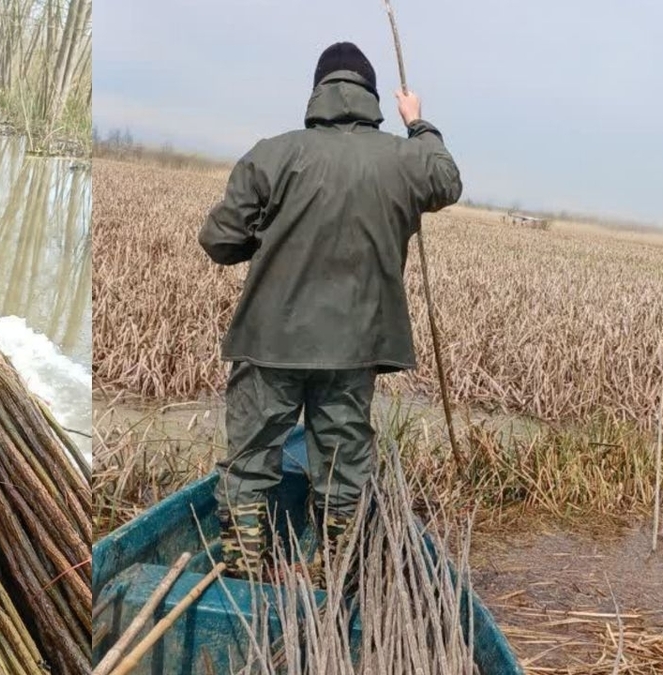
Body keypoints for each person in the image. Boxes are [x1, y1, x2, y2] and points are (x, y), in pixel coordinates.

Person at [198, 42, 462, 580]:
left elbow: (219, 241)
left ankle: (245, 573)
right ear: (370, 96)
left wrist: (269, 241)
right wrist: (420, 123)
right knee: (342, 469)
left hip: (270, 342)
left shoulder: (272, 154)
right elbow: (446, 181)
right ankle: (334, 575)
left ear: (317, 92)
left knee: (249, 463)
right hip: (356, 348)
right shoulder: (403, 158)